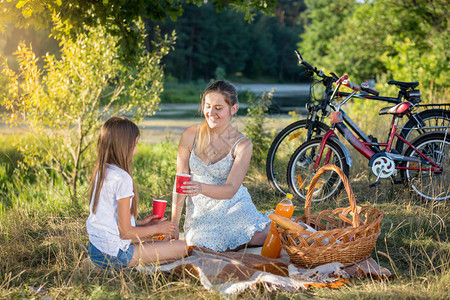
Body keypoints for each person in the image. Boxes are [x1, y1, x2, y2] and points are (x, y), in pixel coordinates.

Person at [171, 80, 270, 252]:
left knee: (265, 236)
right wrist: (173, 224)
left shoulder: (243, 144)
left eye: (218, 108)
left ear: (233, 109)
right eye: (208, 106)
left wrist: (200, 187)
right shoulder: (190, 135)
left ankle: (257, 232)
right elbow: (180, 181)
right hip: (201, 211)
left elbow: (231, 189)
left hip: (234, 204)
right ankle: (233, 245)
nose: (211, 112)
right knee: (198, 243)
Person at [86, 117, 188, 269]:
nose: (136, 150)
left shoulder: (102, 171)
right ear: (123, 147)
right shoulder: (122, 178)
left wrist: (141, 223)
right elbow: (126, 233)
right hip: (115, 255)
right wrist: (158, 228)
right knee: (182, 247)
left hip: (96, 250)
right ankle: (146, 262)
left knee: (163, 240)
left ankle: (153, 255)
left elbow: (109, 219)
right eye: (134, 145)